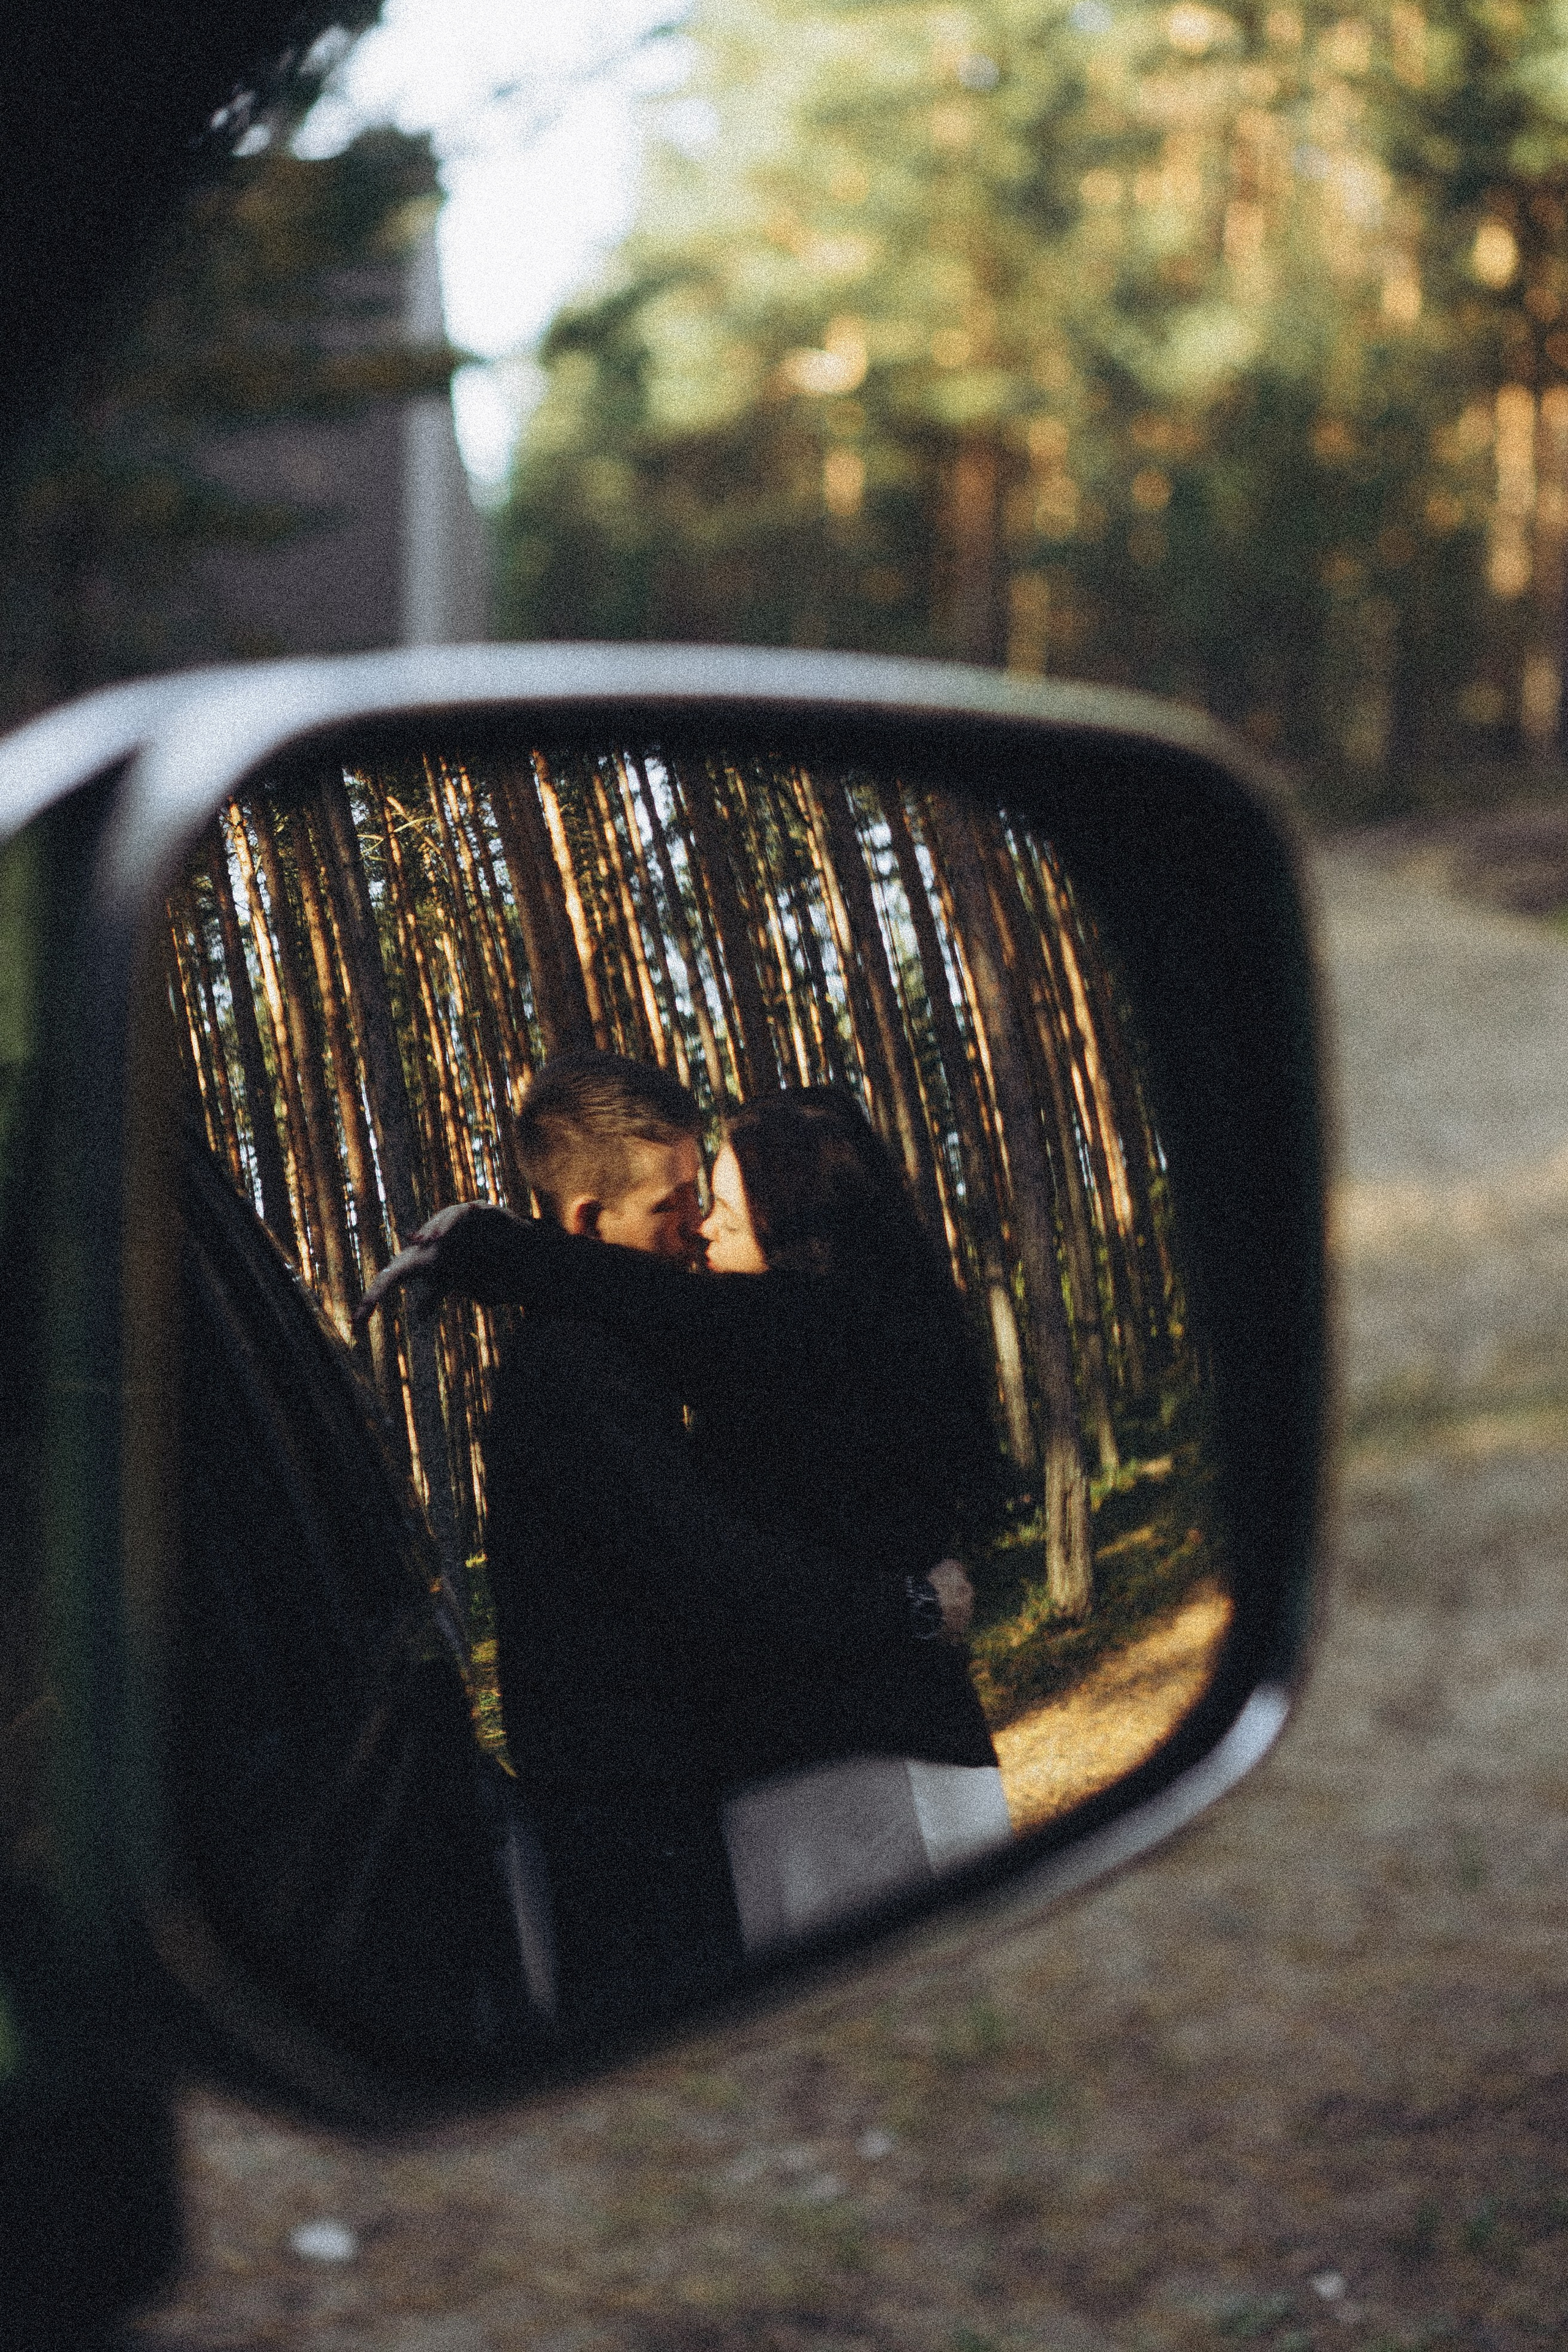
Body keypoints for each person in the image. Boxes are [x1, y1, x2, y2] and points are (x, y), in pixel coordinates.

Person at [364, 1079, 1012, 1959]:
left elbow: (636, 1306)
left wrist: (484, 1243)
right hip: (821, 1784)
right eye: (687, 1203)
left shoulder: (807, 1330)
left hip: (868, 1780)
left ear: (800, 1240)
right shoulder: (759, 1342)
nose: (702, 1227)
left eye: (721, 1211)